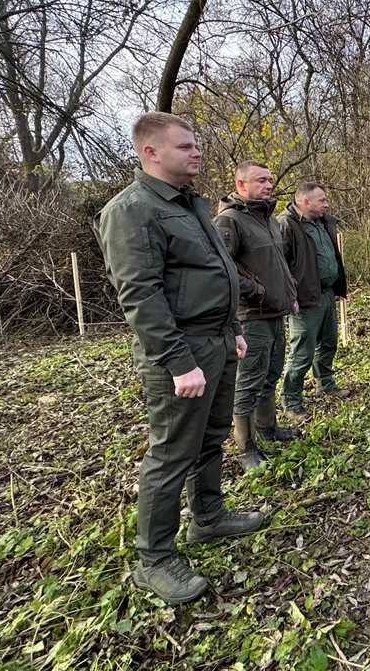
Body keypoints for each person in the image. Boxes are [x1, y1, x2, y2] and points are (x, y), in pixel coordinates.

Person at [96, 112, 264, 605]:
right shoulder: (132, 210)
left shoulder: (190, 204)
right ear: (150, 152)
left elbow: (220, 274)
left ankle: (208, 517)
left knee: (211, 438)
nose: (197, 153)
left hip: (216, 343)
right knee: (171, 452)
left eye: (196, 146)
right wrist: (176, 360)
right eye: (186, 146)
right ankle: (154, 559)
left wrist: (231, 330)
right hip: (180, 352)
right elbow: (140, 295)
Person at [214, 161, 300, 471]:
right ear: (240, 185)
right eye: (260, 180)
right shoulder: (229, 221)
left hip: (276, 313)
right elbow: (221, 270)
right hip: (251, 317)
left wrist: (289, 296)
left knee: (271, 374)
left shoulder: (269, 220)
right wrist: (257, 291)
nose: (268, 185)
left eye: (270, 180)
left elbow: (278, 264)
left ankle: (269, 429)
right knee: (247, 383)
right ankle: (246, 448)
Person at [279, 181, 350, 414]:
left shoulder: (322, 222)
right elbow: (280, 266)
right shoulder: (286, 225)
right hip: (305, 299)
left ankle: (325, 384)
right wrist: (291, 296)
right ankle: (291, 401)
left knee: (328, 343)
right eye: (322, 201)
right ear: (305, 202)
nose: (326, 205)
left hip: (327, 293)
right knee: (302, 351)